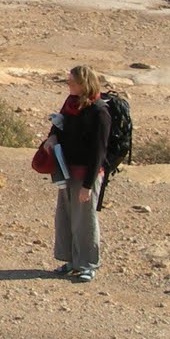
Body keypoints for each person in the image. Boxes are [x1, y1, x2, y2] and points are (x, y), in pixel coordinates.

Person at [49, 64, 111, 283]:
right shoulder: (71, 103)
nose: (68, 84)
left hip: (86, 173)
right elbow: (60, 124)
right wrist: (52, 137)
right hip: (66, 168)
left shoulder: (99, 111)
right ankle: (71, 261)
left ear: (84, 83)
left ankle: (87, 264)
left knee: (84, 219)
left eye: (72, 82)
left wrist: (88, 184)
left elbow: (99, 151)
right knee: (66, 216)